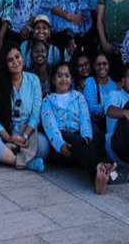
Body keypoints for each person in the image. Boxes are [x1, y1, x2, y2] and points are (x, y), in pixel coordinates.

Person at [41, 62, 115, 193]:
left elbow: (84, 117)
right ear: (53, 79)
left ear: (71, 79)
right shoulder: (48, 101)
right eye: (59, 76)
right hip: (64, 147)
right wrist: (60, 144)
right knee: (69, 136)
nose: (63, 79)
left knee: (94, 131)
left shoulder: (78, 96)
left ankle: (101, 170)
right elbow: (50, 127)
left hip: (81, 141)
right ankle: (102, 170)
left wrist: (86, 136)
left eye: (67, 76)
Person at [0, 45, 49, 171]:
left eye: (17, 57)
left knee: (44, 145)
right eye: (10, 60)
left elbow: (36, 115)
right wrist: (9, 138)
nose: (15, 62)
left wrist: (24, 136)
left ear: (22, 57)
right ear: (5, 64)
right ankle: (24, 162)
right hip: (4, 135)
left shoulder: (33, 80)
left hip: (27, 135)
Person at [83, 51, 117, 126]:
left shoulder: (115, 85)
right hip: (95, 125)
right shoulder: (89, 82)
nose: (101, 67)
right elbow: (90, 109)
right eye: (98, 64)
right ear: (94, 66)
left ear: (109, 65)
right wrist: (110, 108)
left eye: (104, 63)